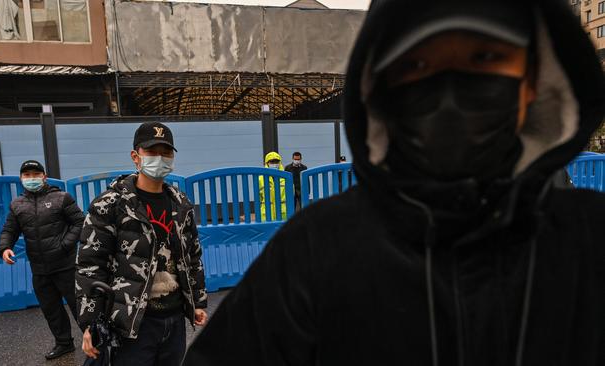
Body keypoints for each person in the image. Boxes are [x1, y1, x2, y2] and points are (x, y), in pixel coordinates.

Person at [184, 0, 605, 365]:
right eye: (418, 65)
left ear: (534, 81)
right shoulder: (315, 251)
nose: (451, 94)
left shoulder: (591, 241)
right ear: (381, 90)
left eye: (485, 58)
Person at [77, 122, 208, 366]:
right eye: (152, 152)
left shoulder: (180, 203)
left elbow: (192, 256)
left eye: (166, 152)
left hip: (174, 318)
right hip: (131, 321)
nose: (160, 158)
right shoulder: (110, 204)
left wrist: (197, 302)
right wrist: (90, 323)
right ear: (135, 157)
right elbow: (90, 266)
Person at [0, 160, 84, 360]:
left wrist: (65, 245)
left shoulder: (61, 198)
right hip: (40, 269)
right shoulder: (17, 204)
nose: (31, 178)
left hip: (66, 266)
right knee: (51, 310)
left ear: (44, 176)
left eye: (35, 174)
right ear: (21, 179)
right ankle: (64, 343)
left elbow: (79, 221)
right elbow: (9, 230)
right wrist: (5, 247)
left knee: (80, 307)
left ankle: (97, 342)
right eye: (26, 175)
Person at [259, 151, 287, 221]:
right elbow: (258, 198)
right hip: (266, 215)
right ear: (267, 163)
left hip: (283, 214)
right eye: (272, 162)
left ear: (279, 163)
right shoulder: (261, 179)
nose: (274, 164)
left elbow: (291, 195)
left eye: (276, 162)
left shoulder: (286, 177)